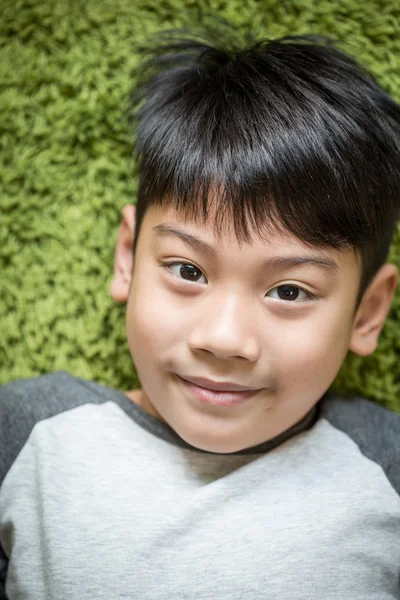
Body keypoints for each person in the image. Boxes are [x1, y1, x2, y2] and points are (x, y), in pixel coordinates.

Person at [1, 23, 400, 600]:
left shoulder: (386, 465)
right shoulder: (26, 436)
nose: (224, 338)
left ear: (368, 312)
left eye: (289, 291)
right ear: (128, 259)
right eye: (187, 270)